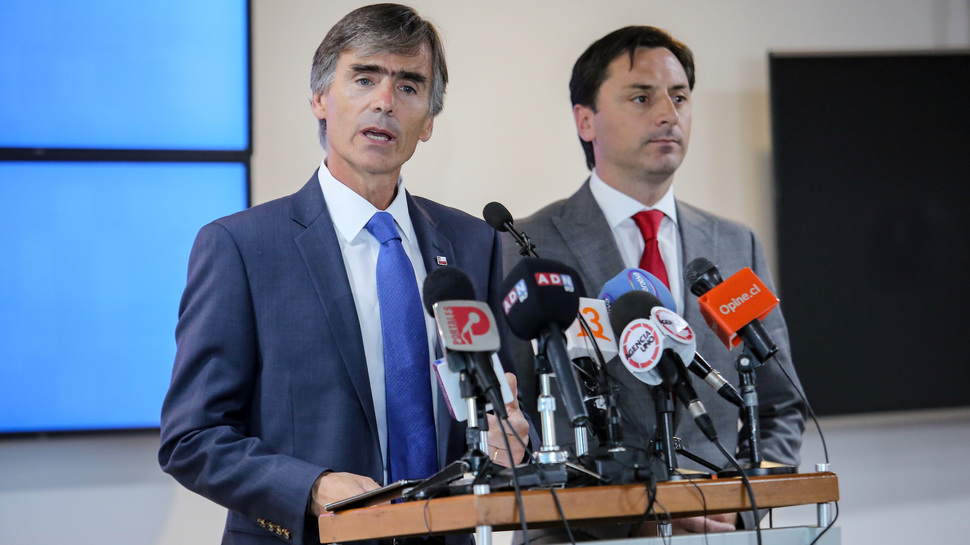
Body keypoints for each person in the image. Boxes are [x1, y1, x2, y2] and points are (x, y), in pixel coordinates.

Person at [159, 5, 530, 545]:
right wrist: (311, 486)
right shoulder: (242, 246)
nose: (384, 101)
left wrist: (511, 439)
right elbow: (192, 438)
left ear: (427, 121)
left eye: (409, 86)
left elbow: (502, 409)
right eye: (364, 78)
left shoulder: (473, 243)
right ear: (319, 100)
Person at [502, 26, 807, 539]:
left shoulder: (734, 246)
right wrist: (630, 515)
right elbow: (517, 417)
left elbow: (781, 405)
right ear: (585, 120)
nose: (669, 113)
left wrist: (742, 509)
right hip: (586, 535)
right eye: (642, 97)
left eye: (680, 97)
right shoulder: (526, 247)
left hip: (717, 530)